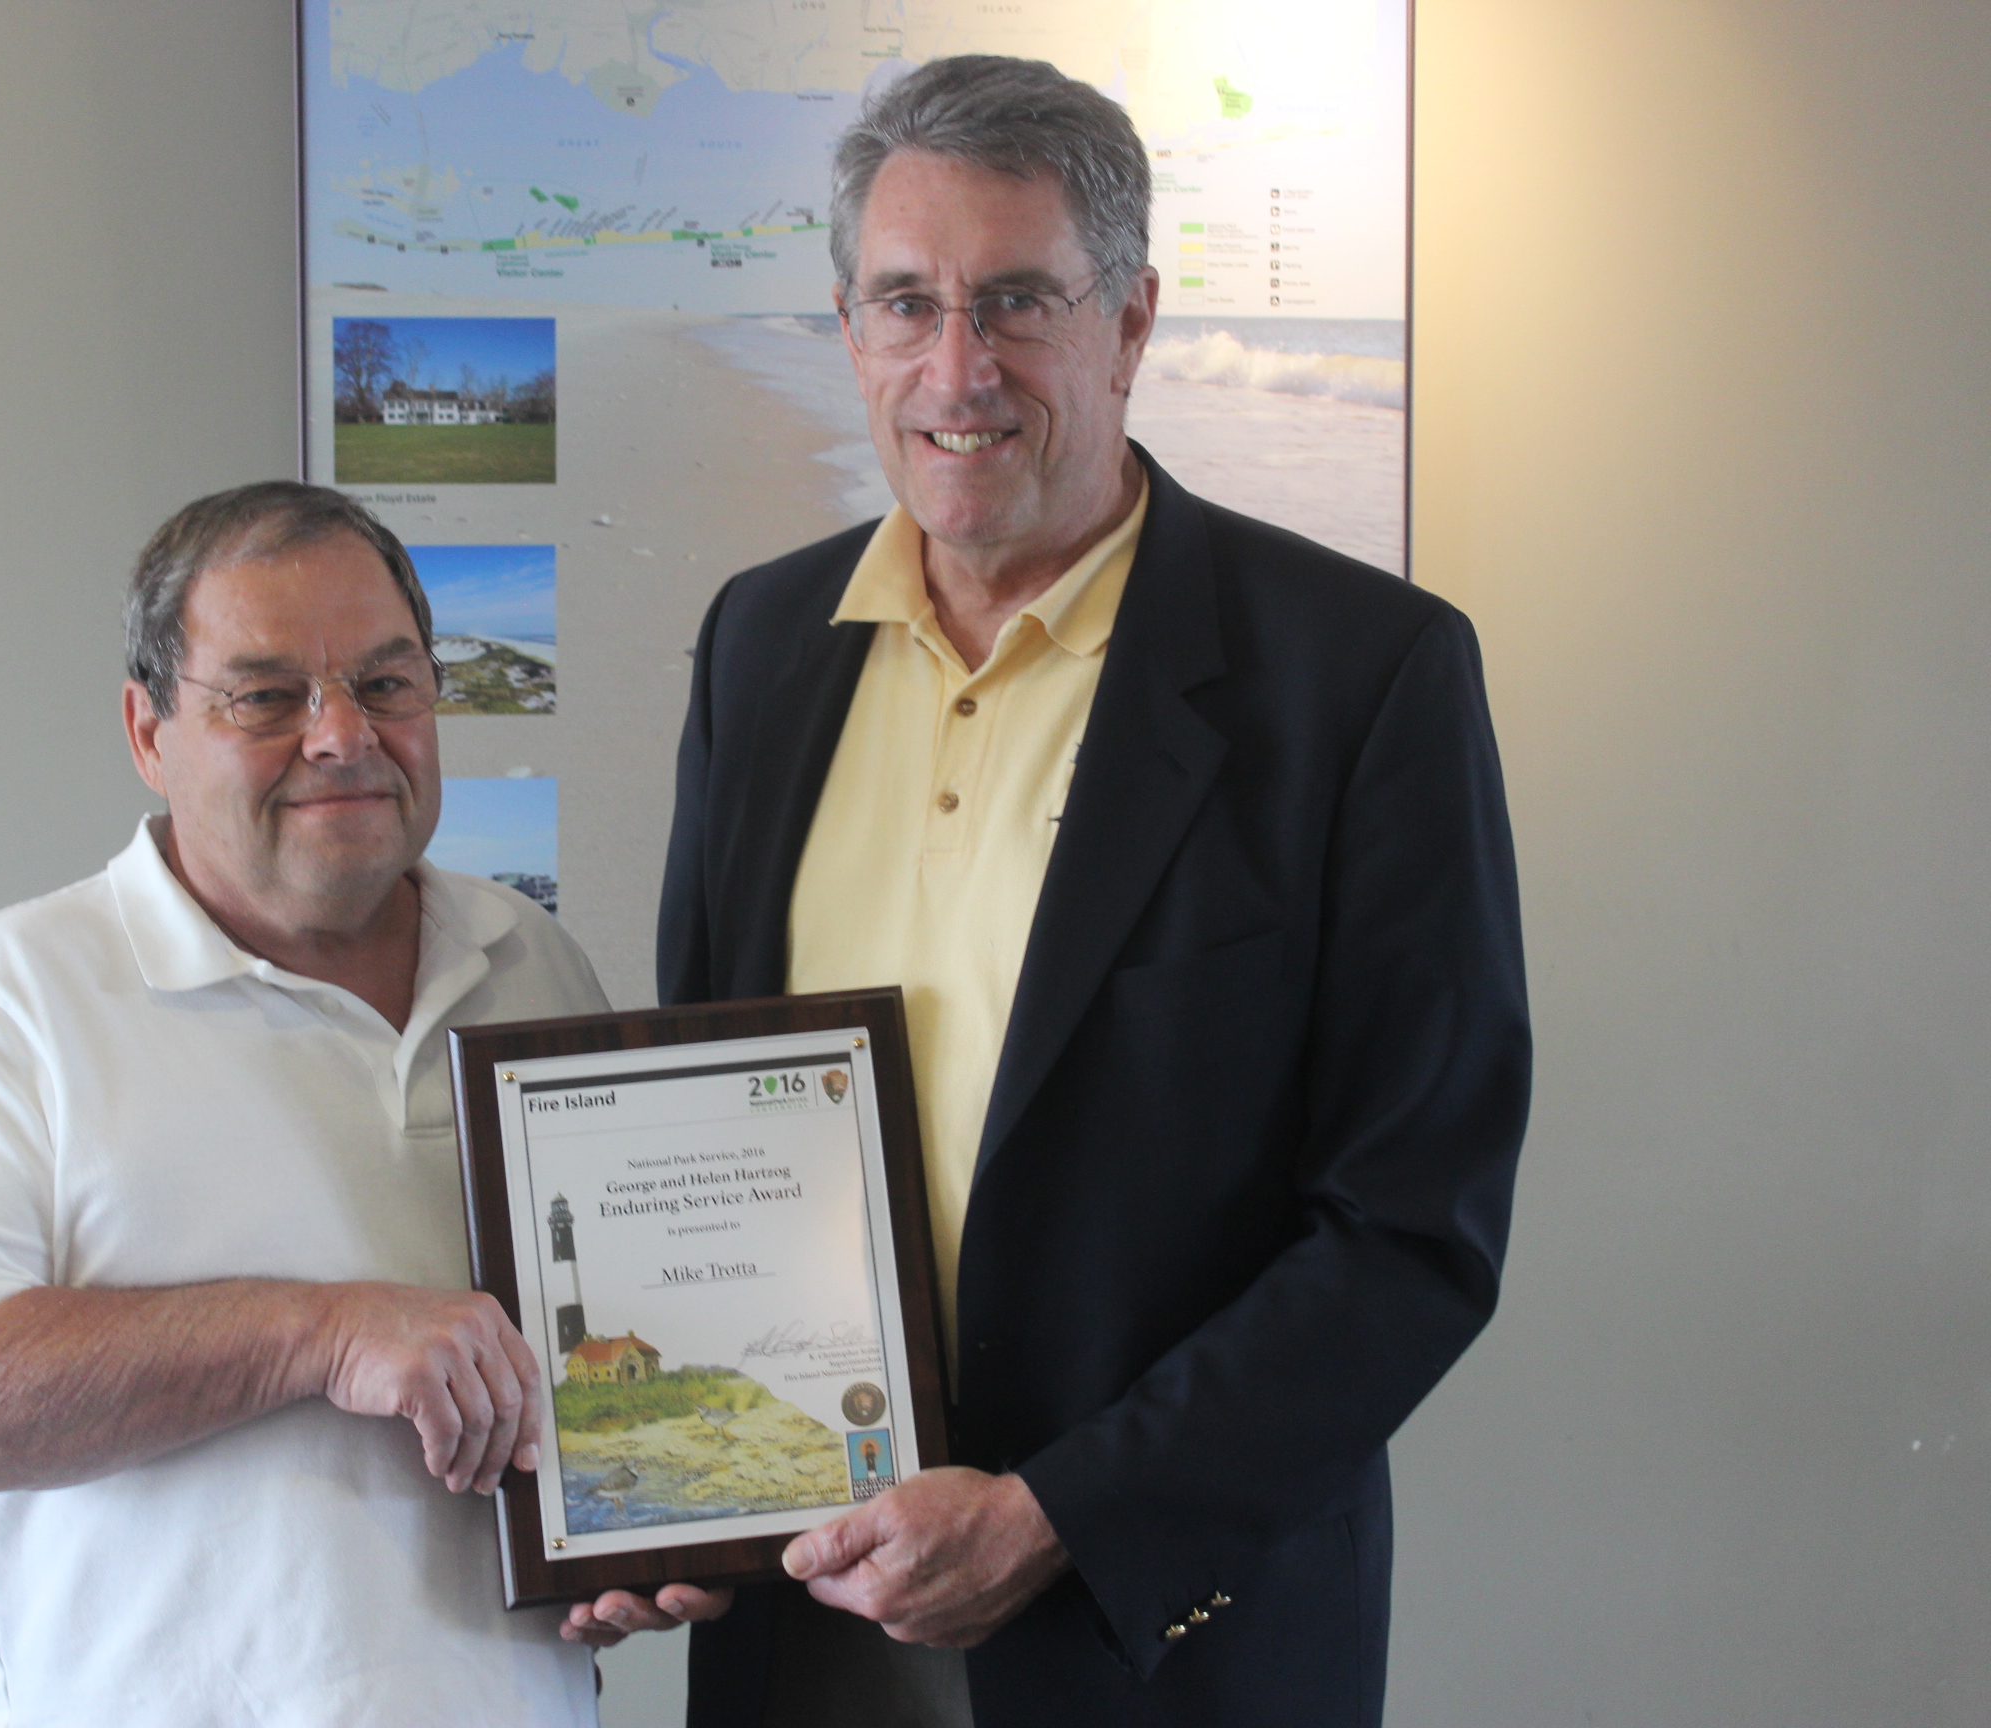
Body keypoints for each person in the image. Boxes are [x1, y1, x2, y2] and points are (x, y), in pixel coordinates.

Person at [601, 55, 1532, 1728]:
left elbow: (1412, 1228)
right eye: (906, 303)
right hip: (806, 1611)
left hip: (1158, 1635)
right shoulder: (761, 643)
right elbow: (702, 1114)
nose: (959, 368)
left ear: (1132, 321)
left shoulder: (1361, 675)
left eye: (1018, 300)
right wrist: (660, 1472)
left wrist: (1062, 1516)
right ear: (848, 329)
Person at [0, 483, 611, 1727]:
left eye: (389, 684)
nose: (342, 734)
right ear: (148, 731)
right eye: (267, 696)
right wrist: (321, 1335)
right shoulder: (16, 997)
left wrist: (651, 1530)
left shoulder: (535, 965)